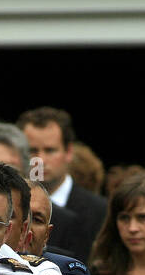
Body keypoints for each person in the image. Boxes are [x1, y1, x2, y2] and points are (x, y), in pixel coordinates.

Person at [18, 106, 107, 262]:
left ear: (69, 152)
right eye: (33, 150)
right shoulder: (8, 205)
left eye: (50, 150)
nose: (41, 160)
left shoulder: (100, 210)